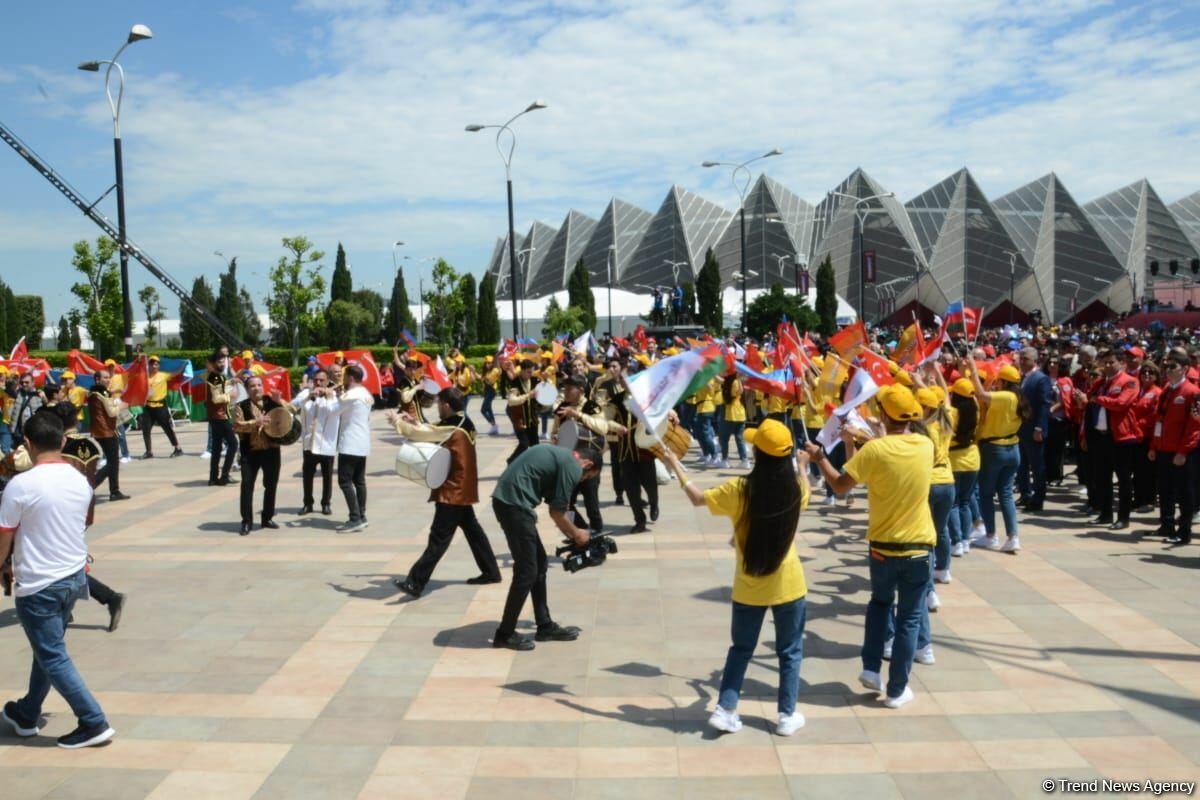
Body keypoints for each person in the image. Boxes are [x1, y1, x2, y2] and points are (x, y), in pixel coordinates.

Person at [659, 419, 811, 736]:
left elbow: (697, 498)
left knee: (741, 649)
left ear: (758, 454)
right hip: (789, 584)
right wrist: (804, 466)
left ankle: (726, 708)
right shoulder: (797, 487)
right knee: (790, 651)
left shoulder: (740, 489)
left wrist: (675, 464)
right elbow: (804, 483)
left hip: (749, 585)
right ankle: (786, 715)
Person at [807, 384, 935, 709]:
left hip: (882, 545)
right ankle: (897, 689)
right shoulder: (925, 446)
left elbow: (839, 486)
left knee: (879, 605)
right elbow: (896, 444)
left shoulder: (874, 452)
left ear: (881, 414)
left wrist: (821, 458)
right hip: (919, 546)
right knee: (909, 618)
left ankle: (870, 667)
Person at [0, 412, 116, 749]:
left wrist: (3, 565)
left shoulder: (20, 485)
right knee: (46, 650)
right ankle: (26, 713)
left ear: (27, 443)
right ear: (63, 441)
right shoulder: (80, 479)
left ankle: (93, 721)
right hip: (72, 576)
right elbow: (82, 521)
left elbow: (5, 535)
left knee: (52, 655)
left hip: (39, 583)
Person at [390, 387, 501, 597]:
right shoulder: (463, 422)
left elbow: (422, 434)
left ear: (446, 405)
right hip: (463, 489)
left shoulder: (452, 426)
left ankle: (415, 582)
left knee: (438, 539)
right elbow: (435, 430)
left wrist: (397, 422)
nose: (438, 407)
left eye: (439, 404)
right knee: (474, 533)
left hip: (452, 492)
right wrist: (415, 421)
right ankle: (491, 571)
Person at [490, 443, 600, 651]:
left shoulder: (562, 456)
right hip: (514, 506)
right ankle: (504, 634)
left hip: (510, 503)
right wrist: (577, 535)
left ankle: (545, 626)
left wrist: (577, 530)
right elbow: (556, 513)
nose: (581, 480)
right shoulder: (573, 465)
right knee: (527, 571)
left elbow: (561, 507)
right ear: (587, 463)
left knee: (539, 565)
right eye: (586, 477)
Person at [551, 373, 626, 535]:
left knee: (592, 504)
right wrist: (556, 438)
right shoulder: (561, 408)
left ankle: (598, 533)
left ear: (580, 390)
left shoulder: (592, 406)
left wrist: (578, 415)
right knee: (567, 504)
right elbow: (555, 432)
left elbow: (603, 427)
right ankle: (580, 533)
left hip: (590, 464)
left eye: (569, 389)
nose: (566, 392)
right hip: (569, 464)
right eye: (565, 389)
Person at [1080, 348, 1139, 530]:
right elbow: (1089, 401)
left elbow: (1121, 404)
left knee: (1123, 479)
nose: (1107, 366)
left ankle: (1123, 517)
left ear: (1121, 363)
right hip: (1100, 435)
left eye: (1111, 362)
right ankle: (1105, 513)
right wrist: (1085, 398)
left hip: (1120, 436)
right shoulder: (1100, 383)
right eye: (1105, 362)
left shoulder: (1129, 381)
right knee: (1101, 477)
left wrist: (1099, 399)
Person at [968, 356, 1023, 552]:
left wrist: (973, 370)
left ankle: (991, 535)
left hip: (995, 449)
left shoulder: (1007, 396)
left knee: (986, 494)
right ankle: (1012, 537)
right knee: (1006, 494)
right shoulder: (1018, 396)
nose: (996, 383)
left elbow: (981, 395)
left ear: (1005, 382)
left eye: (999, 380)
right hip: (1012, 448)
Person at [1149, 355, 1199, 545]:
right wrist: (1154, 446)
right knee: (1165, 489)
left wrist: (1183, 451)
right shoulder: (1166, 390)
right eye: (1166, 366)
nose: (1168, 369)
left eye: (1173, 366)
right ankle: (1166, 524)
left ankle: (1184, 531)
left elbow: (1194, 427)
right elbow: (1159, 420)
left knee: (1185, 492)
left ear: (1185, 368)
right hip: (1164, 448)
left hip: (1181, 451)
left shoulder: (1191, 392)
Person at [232, 376, 283, 536]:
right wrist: (256, 422)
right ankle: (246, 521)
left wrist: (280, 402)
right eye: (252, 386)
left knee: (271, 484)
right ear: (247, 390)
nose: (256, 388)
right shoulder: (240, 406)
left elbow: (289, 416)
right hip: (250, 451)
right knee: (247, 486)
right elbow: (237, 426)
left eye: (259, 385)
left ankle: (267, 517)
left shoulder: (272, 401)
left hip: (271, 450)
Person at [331, 364, 373, 532]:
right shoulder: (365, 393)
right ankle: (361, 515)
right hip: (362, 441)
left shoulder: (350, 395)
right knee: (359, 481)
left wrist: (331, 396)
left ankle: (355, 518)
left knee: (345, 481)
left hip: (350, 442)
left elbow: (334, 411)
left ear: (350, 378)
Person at [292, 368, 339, 516]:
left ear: (327, 381)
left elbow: (337, 411)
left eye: (322, 380)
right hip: (309, 443)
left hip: (326, 444)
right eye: (316, 380)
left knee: (327, 475)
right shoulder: (305, 394)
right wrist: (308, 397)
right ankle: (307, 503)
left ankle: (326, 503)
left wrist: (329, 396)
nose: (318, 383)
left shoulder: (334, 395)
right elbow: (293, 405)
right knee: (307, 475)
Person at [946, 378, 980, 558]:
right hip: (972, 459)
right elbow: (972, 398)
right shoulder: (976, 412)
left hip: (954, 460)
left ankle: (957, 541)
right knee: (965, 502)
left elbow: (944, 401)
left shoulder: (952, 413)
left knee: (954, 504)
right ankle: (966, 540)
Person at [1016, 347, 1051, 512]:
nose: (1022, 362)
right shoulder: (1022, 377)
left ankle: (1038, 499)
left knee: (1037, 466)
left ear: (1034, 361)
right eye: (1021, 358)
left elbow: (1045, 404)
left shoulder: (1041, 379)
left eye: (1025, 359)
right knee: (1021, 464)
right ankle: (1025, 494)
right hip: (1021, 429)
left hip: (1034, 429)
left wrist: (1039, 427)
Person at [88, 370, 129, 502]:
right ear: (97, 379)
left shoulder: (94, 393)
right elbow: (111, 412)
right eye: (105, 377)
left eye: (108, 377)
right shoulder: (101, 393)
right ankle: (90, 485)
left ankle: (115, 491)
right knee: (112, 463)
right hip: (105, 431)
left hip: (103, 431)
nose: (108, 380)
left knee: (114, 461)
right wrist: (123, 405)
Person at [205, 352, 238, 487]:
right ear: (213, 364)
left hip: (215, 416)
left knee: (217, 447)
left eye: (223, 361)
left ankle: (213, 477)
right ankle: (224, 475)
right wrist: (231, 395)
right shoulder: (215, 377)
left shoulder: (215, 377)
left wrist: (232, 381)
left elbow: (220, 387)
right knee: (233, 444)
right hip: (220, 416)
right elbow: (216, 398)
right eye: (219, 362)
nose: (222, 364)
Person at [140, 356, 183, 459]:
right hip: (148, 407)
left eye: (157, 364)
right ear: (149, 365)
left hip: (160, 406)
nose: (155, 366)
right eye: (153, 364)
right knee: (145, 429)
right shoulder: (145, 377)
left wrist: (183, 365)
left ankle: (178, 448)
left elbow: (175, 373)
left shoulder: (163, 375)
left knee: (167, 428)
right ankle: (149, 451)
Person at [504, 359, 541, 462]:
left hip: (532, 419)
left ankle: (535, 466)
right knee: (524, 444)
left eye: (532, 371)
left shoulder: (535, 380)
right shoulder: (515, 382)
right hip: (520, 420)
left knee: (535, 445)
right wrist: (528, 395)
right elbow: (511, 401)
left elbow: (547, 394)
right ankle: (511, 461)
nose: (531, 374)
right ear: (522, 371)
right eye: (529, 372)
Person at [718, 373, 749, 469]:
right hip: (741, 413)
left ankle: (725, 459)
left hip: (731, 414)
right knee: (739, 438)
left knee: (724, 438)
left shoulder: (732, 382)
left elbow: (729, 393)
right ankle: (744, 460)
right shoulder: (738, 381)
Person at [11, 373, 45, 443]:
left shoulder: (39, 394)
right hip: (18, 431)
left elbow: (47, 406)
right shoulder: (18, 393)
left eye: (27, 382)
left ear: (33, 383)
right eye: (22, 382)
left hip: (32, 431)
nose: (24, 384)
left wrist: (44, 398)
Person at [480, 355, 500, 436]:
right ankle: (494, 427)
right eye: (487, 363)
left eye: (490, 363)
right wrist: (473, 371)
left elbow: (499, 372)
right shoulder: (486, 371)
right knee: (488, 409)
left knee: (483, 410)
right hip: (486, 391)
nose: (488, 364)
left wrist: (499, 364)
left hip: (492, 390)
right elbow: (481, 378)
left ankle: (494, 425)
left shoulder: (494, 370)